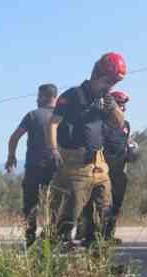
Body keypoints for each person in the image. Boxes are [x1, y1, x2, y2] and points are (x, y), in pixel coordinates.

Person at [48, 52, 127, 248]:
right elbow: (53, 123)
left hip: (99, 165)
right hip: (77, 165)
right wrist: (53, 150)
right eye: (108, 81)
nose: (110, 86)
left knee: (103, 210)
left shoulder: (105, 99)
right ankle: (54, 248)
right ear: (97, 74)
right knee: (69, 213)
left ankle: (96, 248)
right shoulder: (72, 95)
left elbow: (118, 124)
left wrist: (113, 107)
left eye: (114, 83)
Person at [5, 84, 59, 245]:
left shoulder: (33, 115)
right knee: (55, 202)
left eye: (39, 96)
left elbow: (14, 137)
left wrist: (11, 157)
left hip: (34, 166)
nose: (36, 99)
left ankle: (30, 238)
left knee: (30, 203)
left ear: (46, 97)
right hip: (57, 166)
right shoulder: (62, 116)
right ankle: (53, 236)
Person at [98, 90, 136, 243]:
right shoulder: (101, 123)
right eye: (120, 104)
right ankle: (94, 236)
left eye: (124, 105)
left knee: (116, 204)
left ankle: (108, 235)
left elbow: (126, 143)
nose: (124, 108)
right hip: (103, 170)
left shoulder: (125, 125)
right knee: (100, 204)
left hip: (120, 170)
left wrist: (131, 151)